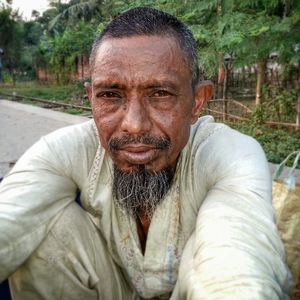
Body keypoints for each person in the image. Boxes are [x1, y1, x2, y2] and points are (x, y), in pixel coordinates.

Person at [0, 7, 291, 300]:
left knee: (203, 248)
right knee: (46, 230)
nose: (134, 125)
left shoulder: (231, 154)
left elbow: (237, 256)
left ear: (197, 102)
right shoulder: (67, 149)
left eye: (160, 94)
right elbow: (9, 219)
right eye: (110, 95)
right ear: (92, 100)